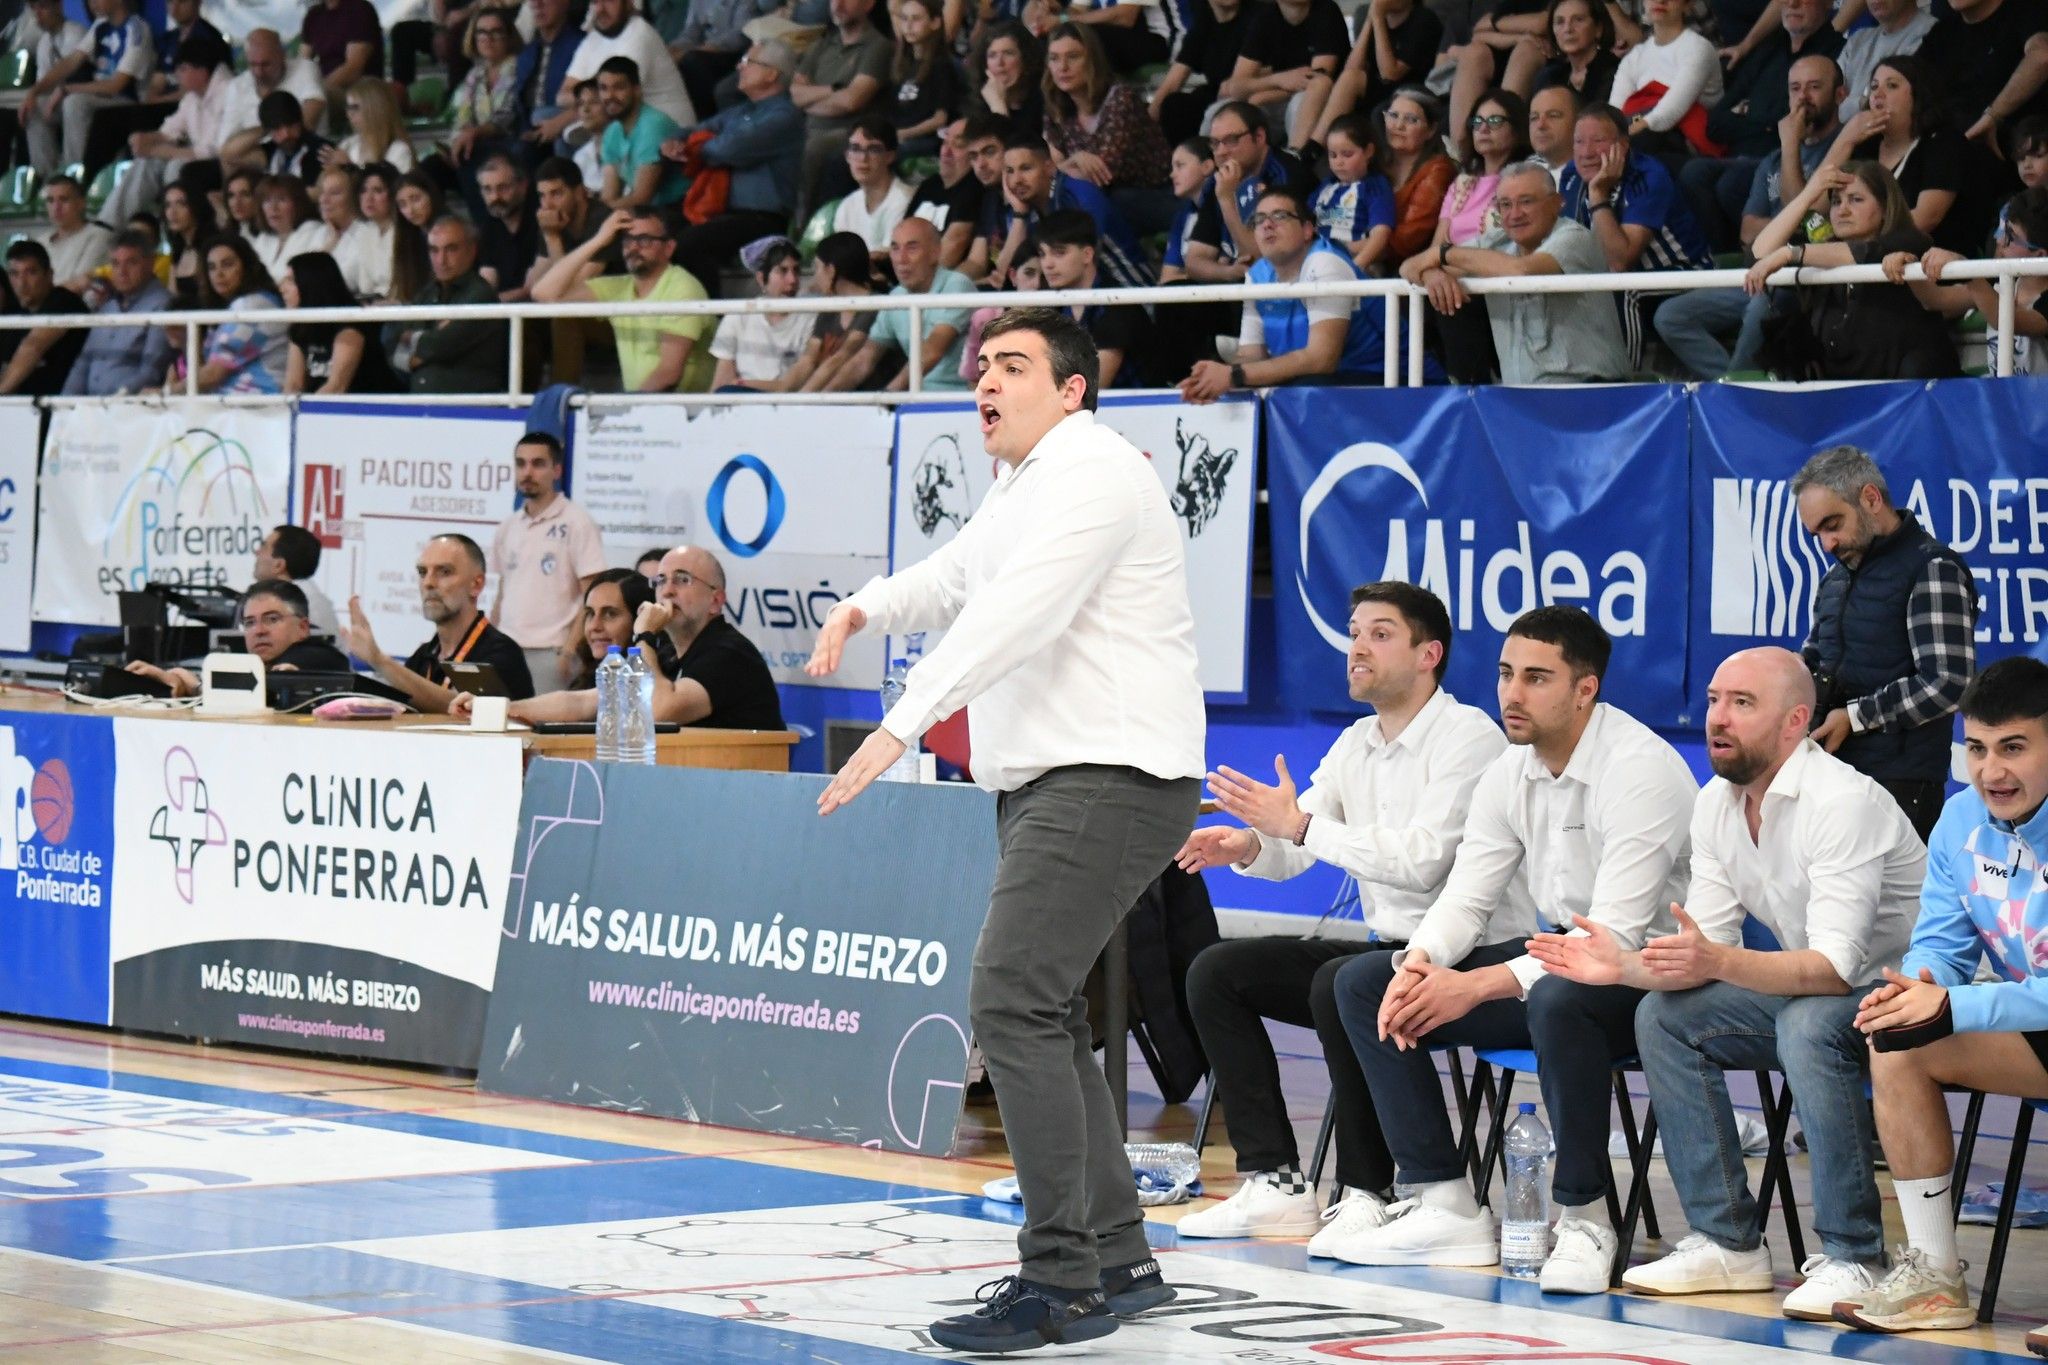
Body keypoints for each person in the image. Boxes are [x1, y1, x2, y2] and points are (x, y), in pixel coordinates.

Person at [804, 307, 1205, 1352]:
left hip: (1107, 774)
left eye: (1012, 366)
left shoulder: (1096, 473)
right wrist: (862, 606)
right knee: (1044, 1012)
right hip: (1055, 777)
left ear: (1071, 390)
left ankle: (1059, 1278)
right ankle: (1116, 1259)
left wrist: (898, 726)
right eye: (981, 366)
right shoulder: (1026, 481)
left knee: (1010, 1000)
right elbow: (954, 581)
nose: (984, 381)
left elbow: (1007, 616)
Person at [1532, 646, 1924, 1319]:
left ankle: (1855, 1255)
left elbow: (1832, 969)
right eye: (1714, 699)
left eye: (1742, 704)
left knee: (1807, 1023)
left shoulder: (1842, 801)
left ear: (1795, 721)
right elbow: (1700, 950)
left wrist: (1713, 961)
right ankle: (1726, 1241)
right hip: (1823, 994)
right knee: (1664, 1013)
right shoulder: (1716, 802)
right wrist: (1619, 968)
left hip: (1908, 999)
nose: (1718, 717)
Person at [1330, 606, 1696, 1293]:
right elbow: (1467, 896)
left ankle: (1584, 1217)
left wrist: (1472, 986)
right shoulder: (1510, 768)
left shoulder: (1639, 767)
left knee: (1561, 1000)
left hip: (1651, 973)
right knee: (1364, 982)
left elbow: (1607, 939)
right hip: (1561, 957)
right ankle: (1443, 1200)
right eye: (1504, 674)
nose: (1511, 693)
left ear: (1585, 689)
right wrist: (1423, 961)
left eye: (1535, 678)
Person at [1173, 582, 1533, 1255]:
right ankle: (1276, 1181)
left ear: (1430, 653)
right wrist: (1251, 845)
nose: (1358, 645)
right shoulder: (1356, 742)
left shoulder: (1469, 738)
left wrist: (1300, 826)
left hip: (1475, 955)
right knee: (1219, 970)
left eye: (1380, 632)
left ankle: (1372, 1190)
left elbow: (1423, 862)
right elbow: (1296, 841)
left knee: (1346, 978)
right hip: (1380, 952)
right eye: (1355, 630)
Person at [1832, 657, 2048, 1340]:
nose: (1992, 771)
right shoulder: (1960, 820)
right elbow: (1943, 945)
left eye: (2014, 747)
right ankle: (1933, 1277)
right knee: (1897, 1042)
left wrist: (1955, 1006)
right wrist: (1918, 988)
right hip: (2030, 1023)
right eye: (1977, 748)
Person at [1788, 445, 1976, 842]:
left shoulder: (1932, 569)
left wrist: (1854, 717)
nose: (1827, 544)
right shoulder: (1835, 579)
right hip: (1830, 774)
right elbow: (1816, 659)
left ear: (1871, 498)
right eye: (1817, 533)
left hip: (1900, 785)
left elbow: (1948, 683)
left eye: (1832, 524)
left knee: (1888, 907)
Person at [1656, 53, 1845, 378]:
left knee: (1762, 306)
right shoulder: (1771, 161)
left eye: (1814, 87)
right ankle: (1732, 384)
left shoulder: (1842, 150)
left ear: (1840, 94)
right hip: (1756, 273)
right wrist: (1790, 220)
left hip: (1803, 279)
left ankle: (1736, 389)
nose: (1803, 97)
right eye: (1795, 88)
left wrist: (1790, 146)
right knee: (1670, 315)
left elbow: (1813, 220)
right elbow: (1748, 232)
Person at [487, 545, 783, 728]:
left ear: (716, 601)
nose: (667, 591)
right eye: (661, 581)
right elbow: (585, 703)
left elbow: (659, 711)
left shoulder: (729, 653)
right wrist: (503, 709)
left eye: (682, 580)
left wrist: (643, 634)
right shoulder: (667, 655)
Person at [1402, 159, 1626, 384]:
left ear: (1557, 203)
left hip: (1591, 395)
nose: (1515, 214)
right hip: (1520, 402)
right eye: (1505, 205)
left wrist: (1441, 254)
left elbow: (1521, 272)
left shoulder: (1575, 237)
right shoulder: (1495, 241)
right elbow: (1408, 267)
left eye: (1526, 202)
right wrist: (1433, 274)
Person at [1182, 184, 1412, 399]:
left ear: (1307, 230)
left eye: (1280, 216)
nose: (1267, 225)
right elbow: (1252, 355)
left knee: (1296, 389)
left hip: (1394, 383)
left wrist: (1235, 375)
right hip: (1322, 384)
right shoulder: (1257, 275)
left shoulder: (1325, 263)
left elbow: (1322, 360)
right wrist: (1215, 378)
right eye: (1259, 219)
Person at [1744, 162, 1960, 380]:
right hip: (1847, 400)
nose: (1843, 210)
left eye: (1856, 199)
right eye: (1836, 202)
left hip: (1912, 395)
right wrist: (1809, 194)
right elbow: (1759, 255)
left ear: (1886, 208)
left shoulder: (1908, 241)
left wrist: (1790, 254)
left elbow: (1864, 253)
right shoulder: (1819, 256)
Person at [1559, 101, 1711, 365]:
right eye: (1578, 142)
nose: (1586, 152)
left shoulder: (1648, 176)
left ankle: (1627, 380)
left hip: (1686, 273)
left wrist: (1598, 195)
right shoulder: (1571, 175)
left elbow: (1620, 261)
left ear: (1623, 145)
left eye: (1598, 141)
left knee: (1624, 290)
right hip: (1624, 276)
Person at [669, 40, 805, 296]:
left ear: (771, 74)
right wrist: (676, 141)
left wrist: (696, 147)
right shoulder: (739, 112)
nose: (739, 67)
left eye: (747, 62)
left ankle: (709, 320)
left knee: (692, 243)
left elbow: (728, 149)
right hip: (723, 214)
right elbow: (694, 132)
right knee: (657, 230)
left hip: (763, 220)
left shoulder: (785, 117)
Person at [345, 533, 536, 713]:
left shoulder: (501, 652)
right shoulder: (424, 655)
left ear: (476, 584)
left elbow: (465, 710)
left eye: (444, 572)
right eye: (422, 572)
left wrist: (380, 660)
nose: (428, 582)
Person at [532, 206, 715, 392]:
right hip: (640, 406)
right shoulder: (620, 287)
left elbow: (668, 374)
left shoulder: (683, 287)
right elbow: (544, 294)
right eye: (627, 240)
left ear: (669, 248)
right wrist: (599, 239)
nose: (633, 247)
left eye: (644, 240)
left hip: (689, 413)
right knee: (563, 320)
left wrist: (626, 410)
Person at [490, 432, 608, 693]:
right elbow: (502, 593)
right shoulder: (508, 527)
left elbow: (593, 594)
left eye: (537, 464)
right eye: (521, 464)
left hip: (552, 652)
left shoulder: (578, 522)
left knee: (543, 729)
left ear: (556, 470)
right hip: (507, 649)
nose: (527, 472)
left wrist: (569, 650)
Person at [1826, 56, 1980, 256]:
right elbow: (1817, 203)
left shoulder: (1943, 143)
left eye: (1891, 86)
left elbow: (1927, 218)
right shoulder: (1864, 147)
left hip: (1935, 268)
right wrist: (1845, 139)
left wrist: (1863, 250)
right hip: (1869, 261)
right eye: (1873, 87)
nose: (1878, 94)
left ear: (1918, 94)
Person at [1043, 22, 1173, 232]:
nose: (1062, 67)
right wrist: (1074, 162)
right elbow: (1054, 173)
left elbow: (1102, 174)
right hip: (1108, 198)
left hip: (1155, 196)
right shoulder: (1056, 108)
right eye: (1054, 58)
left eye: (1073, 57)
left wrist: (1068, 164)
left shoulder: (1121, 99)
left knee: (1095, 200)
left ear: (1092, 60)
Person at [125, 580, 353, 698]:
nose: (259, 630)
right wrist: (177, 681)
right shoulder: (256, 662)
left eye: (272, 619)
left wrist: (195, 686)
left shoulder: (321, 657)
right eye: (250, 623)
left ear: (303, 627)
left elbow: (272, 683)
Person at [828, 217, 978, 390]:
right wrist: (822, 400)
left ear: (935, 252)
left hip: (962, 402)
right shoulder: (896, 296)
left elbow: (932, 351)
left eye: (912, 248)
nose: (901, 259)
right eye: (895, 248)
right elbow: (864, 359)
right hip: (917, 401)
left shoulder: (957, 285)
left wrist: (889, 395)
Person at [107, 32, 234, 228]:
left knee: (176, 166)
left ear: (202, 71)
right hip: (198, 158)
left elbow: (213, 150)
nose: (178, 76)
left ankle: (174, 228)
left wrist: (158, 150)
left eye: (183, 69)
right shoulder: (192, 97)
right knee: (146, 161)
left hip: (223, 165)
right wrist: (147, 138)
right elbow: (170, 130)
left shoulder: (228, 92)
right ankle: (110, 224)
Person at [1919, 185, 2048, 374]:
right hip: (2004, 396)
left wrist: (1967, 271)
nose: (1999, 241)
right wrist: (1907, 264)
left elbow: (2005, 320)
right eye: (2002, 229)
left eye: (2010, 237)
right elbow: (1936, 300)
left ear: (2039, 254)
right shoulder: (2003, 284)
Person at [1180, 100, 1313, 283]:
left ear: (1259, 137)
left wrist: (1227, 201)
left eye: (1231, 140)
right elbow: (1194, 261)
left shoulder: (1286, 175)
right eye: (1215, 143)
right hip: (1239, 282)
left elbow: (1263, 260)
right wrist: (1231, 272)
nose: (1221, 152)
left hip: (1286, 282)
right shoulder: (1219, 181)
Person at [792, 0, 895, 225]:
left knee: (816, 148)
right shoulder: (822, 45)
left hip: (848, 131)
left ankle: (804, 226)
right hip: (807, 126)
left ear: (868, 4)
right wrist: (834, 89)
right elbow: (795, 94)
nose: (837, 5)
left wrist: (810, 101)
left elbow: (852, 100)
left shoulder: (877, 46)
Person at [24, 0, 154, 175]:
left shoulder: (138, 29)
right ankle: (47, 179)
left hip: (126, 102)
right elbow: (71, 62)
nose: (91, 3)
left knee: (75, 102)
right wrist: (34, 92)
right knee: (34, 109)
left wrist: (67, 89)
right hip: (97, 97)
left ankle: (74, 176)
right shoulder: (100, 25)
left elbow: (116, 85)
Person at [385, 215, 510, 393]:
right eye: (434, 250)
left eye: (451, 249)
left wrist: (415, 340)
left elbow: (440, 344)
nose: (441, 260)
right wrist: (425, 339)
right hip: (420, 405)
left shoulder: (481, 295)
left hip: (469, 409)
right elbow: (393, 344)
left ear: (471, 250)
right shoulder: (426, 294)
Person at [1305, 0, 1442, 156]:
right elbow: (1351, 67)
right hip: (1377, 88)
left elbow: (1390, 73)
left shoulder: (1424, 20)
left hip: (1407, 93)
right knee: (1350, 77)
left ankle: (1315, 150)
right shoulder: (1373, 16)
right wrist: (1370, 20)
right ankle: (1313, 147)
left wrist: (1377, 19)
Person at [1032, 211, 1150, 387]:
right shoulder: (1053, 309)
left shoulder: (1117, 306)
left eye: (1059, 253)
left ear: (1087, 254)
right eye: (1042, 254)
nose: (1047, 264)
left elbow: (1092, 387)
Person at [1215, 0, 1347, 153]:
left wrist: (1263, 95)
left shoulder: (1326, 11)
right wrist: (1279, 80)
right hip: (1278, 96)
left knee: (1298, 102)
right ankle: (1209, 165)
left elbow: (1318, 81)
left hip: (1323, 101)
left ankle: (1295, 160)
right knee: (1222, 108)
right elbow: (1236, 86)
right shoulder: (1265, 16)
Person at [1912, 0, 2048, 145]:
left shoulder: (2028, 11)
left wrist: (1993, 116)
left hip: (2020, 149)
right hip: (1952, 149)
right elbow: (1905, 79)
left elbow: (2041, 56)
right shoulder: (1943, 32)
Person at [1607, 0, 1725, 164]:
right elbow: (1613, 113)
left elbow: (1666, 115)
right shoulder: (1634, 57)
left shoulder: (1699, 48)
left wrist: (1621, 137)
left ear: (1688, 4)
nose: (1660, 1)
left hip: (1692, 149)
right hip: (1642, 142)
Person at [61, 230, 175, 397]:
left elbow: (152, 371)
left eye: (131, 263)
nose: (122, 271)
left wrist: (114, 401)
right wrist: (64, 406)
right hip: (88, 411)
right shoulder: (107, 307)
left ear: (151, 263)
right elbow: (83, 363)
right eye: (115, 263)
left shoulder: (164, 306)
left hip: (130, 409)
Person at [177, 233, 288, 395]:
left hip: (259, 405)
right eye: (212, 267)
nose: (219, 274)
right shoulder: (229, 307)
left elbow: (213, 374)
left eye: (227, 264)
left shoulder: (252, 305)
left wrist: (167, 391)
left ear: (247, 266)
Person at [562, 0, 697, 130]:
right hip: (626, 125)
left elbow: (615, 100)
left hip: (670, 133)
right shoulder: (593, 39)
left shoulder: (639, 33)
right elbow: (562, 95)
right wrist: (590, 100)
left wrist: (559, 122)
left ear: (629, 3)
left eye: (609, 1)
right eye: (595, 2)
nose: (600, 9)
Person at [282, 250, 401, 394]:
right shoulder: (300, 327)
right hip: (318, 408)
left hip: (366, 409)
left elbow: (336, 388)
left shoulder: (350, 326)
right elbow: (293, 385)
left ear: (312, 283)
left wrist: (309, 413)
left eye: (291, 281)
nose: (283, 289)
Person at [709, 236, 817, 390]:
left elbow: (789, 387)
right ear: (761, 279)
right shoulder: (738, 316)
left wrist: (741, 384)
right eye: (783, 271)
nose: (792, 280)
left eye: (796, 271)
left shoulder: (810, 316)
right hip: (743, 403)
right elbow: (721, 381)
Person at [783, 231, 878, 390]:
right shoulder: (829, 308)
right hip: (827, 400)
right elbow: (808, 360)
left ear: (831, 270)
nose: (815, 278)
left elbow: (840, 359)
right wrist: (783, 392)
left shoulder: (874, 306)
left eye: (817, 268)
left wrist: (801, 402)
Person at [1148, 0, 1250, 147]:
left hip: (1247, 97)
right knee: (1174, 104)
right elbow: (1174, 79)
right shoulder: (1205, 20)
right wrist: (1146, 123)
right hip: (1214, 93)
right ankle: (1182, 164)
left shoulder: (1258, 17)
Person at [219, 28, 329, 164]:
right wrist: (270, 128)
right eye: (253, 65)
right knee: (228, 158)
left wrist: (274, 131)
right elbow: (225, 147)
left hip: (307, 153)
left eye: (265, 64)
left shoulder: (305, 69)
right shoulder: (237, 86)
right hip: (264, 155)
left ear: (282, 55)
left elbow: (308, 123)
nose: (259, 72)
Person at [1377, 88, 1459, 266]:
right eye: (1393, 115)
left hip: (1412, 272)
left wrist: (1360, 247)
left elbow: (1407, 241)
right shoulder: (1374, 163)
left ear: (1431, 130)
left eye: (1411, 120)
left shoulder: (1439, 169)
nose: (1399, 126)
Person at [595, 57, 686, 210]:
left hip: (680, 208)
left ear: (637, 90)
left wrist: (600, 216)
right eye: (604, 88)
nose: (609, 96)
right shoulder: (612, 132)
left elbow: (642, 198)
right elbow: (609, 195)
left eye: (618, 87)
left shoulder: (653, 125)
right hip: (649, 213)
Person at [0, 240, 88, 398]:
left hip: (64, 407)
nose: (21, 283)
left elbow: (33, 346)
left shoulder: (64, 301)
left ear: (49, 275)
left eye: (31, 272)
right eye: (14, 274)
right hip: (26, 409)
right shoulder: (17, 313)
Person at [1311, 113, 1394, 271]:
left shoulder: (1375, 186)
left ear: (1369, 151)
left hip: (1362, 267)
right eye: (1333, 155)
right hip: (1319, 265)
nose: (1338, 162)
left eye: (1347, 154)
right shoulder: (1325, 187)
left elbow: (1381, 234)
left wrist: (1354, 270)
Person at [673, 0, 776, 120]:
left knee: (692, 61)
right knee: (674, 61)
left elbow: (740, 35)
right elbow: (691, 32)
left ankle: (705, 119)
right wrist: (672, 49)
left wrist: (704, 48)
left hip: (734, 54)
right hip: (701, 52)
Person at [911, 117, 992, 267]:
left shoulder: (974, 189)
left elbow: (955, 245)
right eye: (945, 142)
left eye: (958, 145)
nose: (946, 151)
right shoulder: (929, 185)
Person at [448, 7, 522, 169]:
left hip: (508, 142)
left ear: (509, 36)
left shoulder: (519, 68)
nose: (488, 39)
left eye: (496, 32)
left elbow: (507, 117)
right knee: (433, 164)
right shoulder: (475, 74)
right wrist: (463, 133)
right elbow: (463, 115)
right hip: (476, 142)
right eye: (481, 32)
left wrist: (475, 133)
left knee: (472, 153)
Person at [562, 569, 660, 690]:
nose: (594, 626)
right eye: (591, 613)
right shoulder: (585, 678)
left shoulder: (660, 679)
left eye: (610, 614)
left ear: (640, 619)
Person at [1836, 0, 1931, 125]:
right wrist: (1863, 102)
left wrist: (1853, 103)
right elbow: (1827, 101)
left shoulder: (1931, 36)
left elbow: (1892, 108)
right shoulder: (1857, 40)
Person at [888, 0, 963, 155]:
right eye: (904, 19)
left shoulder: (942, 66)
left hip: (926, 142)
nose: (908, 25)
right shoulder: (902, 65)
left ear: (935, 22)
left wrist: (903, 134)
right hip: (899, 136)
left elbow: (940, 119)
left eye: (916, 19)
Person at [834, 117, 916, 253]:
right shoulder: (847, 205)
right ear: (847, 156)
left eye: (873, 149)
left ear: (890, 156)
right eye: (855, 149)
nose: (862, 158)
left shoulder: (904, 201)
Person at [253, 524, 342, 639]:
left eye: (264, 547)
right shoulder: (306, 598)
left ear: (279, 565)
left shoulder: (301, 606)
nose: (256, 552)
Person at [36, 176, 116, 297]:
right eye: (50, 200)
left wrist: (37, 296)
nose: (56, 207)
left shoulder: (99, 236)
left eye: (64, 200)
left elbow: (81, 284)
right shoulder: (40, 242)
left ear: (81, 203)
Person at [966, 20, 1045, 142]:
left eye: (1008, 53)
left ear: (1027, 60)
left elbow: (1014, 156)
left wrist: (998, 106)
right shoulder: (979, 102)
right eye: (992, 55)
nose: (999, 63)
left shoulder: (1044, 101)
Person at [474, 153, 539, 297]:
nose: (495, 197)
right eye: (487, 189)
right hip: (502, 311)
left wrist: (490, 305)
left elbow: (530, 290)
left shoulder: (540, 221)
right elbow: (487, 282)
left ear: (523, 186)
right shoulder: (489, 226)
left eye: (502, 188)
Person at [302, 0, 385, 113]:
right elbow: (303, 62)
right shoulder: (313, 15)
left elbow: (353, 69)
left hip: (359, 94)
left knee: (312, 103)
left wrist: (315, 90)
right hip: (324, 90)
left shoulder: (359, 10)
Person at [254, 174, 325, 282]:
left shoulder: (313, 232)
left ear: (298, 203)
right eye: (267, 201)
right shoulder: (263, 239)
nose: (273, 208)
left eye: (281, 200)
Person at [255, 92, 334, 181]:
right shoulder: (269, 150)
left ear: (300, 121)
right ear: (268, 130)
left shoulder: (322, 150)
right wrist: (263, 129)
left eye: (290, 125)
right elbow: (236, 152)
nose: (286, 134)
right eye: (277, 128)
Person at [1528, 82, 1577, 176]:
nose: (1540, 125)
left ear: (1578, 122)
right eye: (1534, 118)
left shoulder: (1589, 176)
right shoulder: (1527, 170)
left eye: (1553, 116)